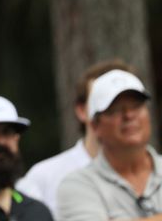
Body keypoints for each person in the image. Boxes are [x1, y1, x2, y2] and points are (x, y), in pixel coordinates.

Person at [16, 59, 133, 214]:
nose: (126, 114)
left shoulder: (157, 172)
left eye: (133, 104)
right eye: (106, 103)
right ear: (82, 111)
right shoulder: (44, 177)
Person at [57, 69, 162, 220]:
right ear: (95, 126)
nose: (129, 115)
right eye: (116, 110)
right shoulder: (77, 185)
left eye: (137, 106)